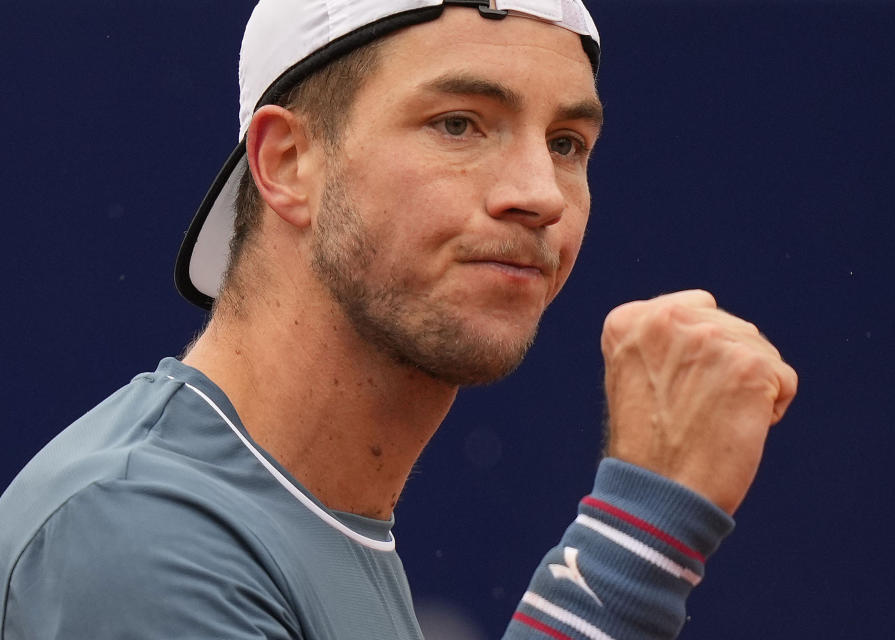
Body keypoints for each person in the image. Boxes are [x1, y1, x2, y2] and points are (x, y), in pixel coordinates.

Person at [0, 1, 797, 638]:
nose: (542, 194)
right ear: (286, 163)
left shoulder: (303, 520)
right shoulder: (132, 536)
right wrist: (636, 545)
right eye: (459, 123)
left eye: (566, 143)